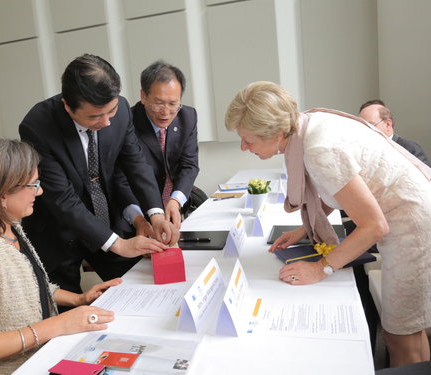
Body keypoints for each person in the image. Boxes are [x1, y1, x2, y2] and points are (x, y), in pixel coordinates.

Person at [225, 81, 431, 367]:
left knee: (400, 335)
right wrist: (302, 230)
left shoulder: (318, 148)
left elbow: (374, 226)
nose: (243, 146)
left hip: (413, 224)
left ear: (275, 133)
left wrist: (321, 269)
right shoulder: (306, 125)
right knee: (412, 327)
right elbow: (336, 188)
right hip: (409, 212)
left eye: (248, 139)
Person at [0, 138, 122, 374]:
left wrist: (78, 300)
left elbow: (28, 288)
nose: (40, 191)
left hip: (41, 358)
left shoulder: (10, 226)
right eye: (32, 185)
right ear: (2, 193)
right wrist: (57, 325)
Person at [19, 54, 179, 296]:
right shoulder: (38, 126)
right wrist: (119, 244)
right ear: (67, 106)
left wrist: (155, 214)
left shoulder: (123, 109)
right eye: (94, 116)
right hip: (59, 230)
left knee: (135, 288)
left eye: (110, 111)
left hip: (108, 218)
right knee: (66, 310)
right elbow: (62, 198)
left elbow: (135, 164)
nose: (105, 122)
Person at [117, 61, 199, 231]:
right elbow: (121, 178)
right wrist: (140, 218)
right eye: (159, 103)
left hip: (175, 207)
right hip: (139, 211)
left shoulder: (188, 116)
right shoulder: (126, 123)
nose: (166, 112)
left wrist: (175, 201)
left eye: (173, 103)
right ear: (143, 96)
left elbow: (189, 165)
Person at [359, 99, 431, 167]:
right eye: (362, 126)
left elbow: (426, 178)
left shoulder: (410, 149)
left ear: (388, 124)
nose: (365, 130)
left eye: (370, 125)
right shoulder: (361, 151)